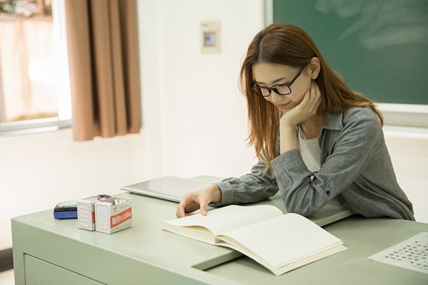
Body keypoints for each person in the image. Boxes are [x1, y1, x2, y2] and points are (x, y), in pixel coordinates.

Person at [176, 23, 414, 221]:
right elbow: (267, 178)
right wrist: (215, 191)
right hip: (339, 223)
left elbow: (302, 203)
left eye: (281, 86)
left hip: (385, 228)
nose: (274, 98)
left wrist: (288, 127)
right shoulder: (287, 111)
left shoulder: (359, 124)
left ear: (312, 68)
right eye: (264, 89)